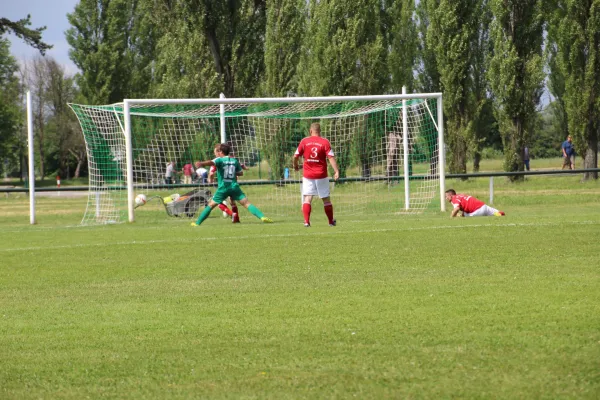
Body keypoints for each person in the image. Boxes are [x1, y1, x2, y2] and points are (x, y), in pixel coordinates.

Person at [191, 143, 272, 226]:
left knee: (211, 205)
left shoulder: (219, 160)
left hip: (223, 187)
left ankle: (197, 223)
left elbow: (211, 162)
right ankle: (262, 217)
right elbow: (240, 173)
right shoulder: (234, 161)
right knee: (246, 203)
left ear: (220, 152)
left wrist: (202, 164)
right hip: (234, 187)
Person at [292, 122, 340, 227]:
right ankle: (330, 222)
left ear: (310, 131)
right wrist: (336, 171)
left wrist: (295, 165)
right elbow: (331, 157)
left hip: (308, 175)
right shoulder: (325, 142)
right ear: (320, 131)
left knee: (307, 198)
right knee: (326, 199)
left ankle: (306, 222)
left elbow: (296, 156)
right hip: (321, 175)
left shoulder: (304, 141)